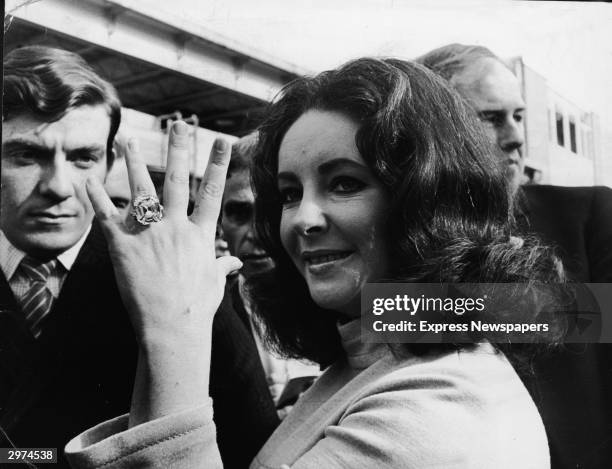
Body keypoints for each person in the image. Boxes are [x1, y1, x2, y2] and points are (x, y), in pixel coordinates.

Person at [65, 58, 564, 468]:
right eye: (288, 193)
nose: (301, 219)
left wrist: (173, 328)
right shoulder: (378, 351)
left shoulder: (438, 410)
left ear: (426, 201)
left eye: (344, 182)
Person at [0, 45, 277, 469]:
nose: (57, 186)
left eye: (82, 157)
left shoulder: (174, 270)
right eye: (25, 155)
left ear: (108, 162)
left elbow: (252, 443)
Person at [418, 43, 612, 469]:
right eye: (490, 117)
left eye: (518, 115)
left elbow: (601, 316)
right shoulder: (399, 239)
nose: (516, 136)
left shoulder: (587, 214)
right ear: (432, 129)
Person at [221, 133, 319, 411]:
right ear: (221, 221)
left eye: (271, 212)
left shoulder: (352, 294)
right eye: (239, 213)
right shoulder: (205, 313)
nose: (256, 233)